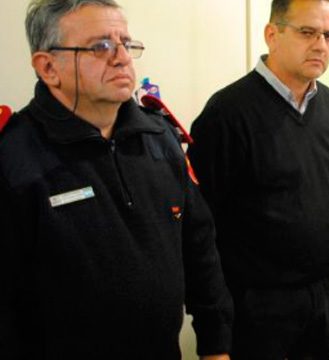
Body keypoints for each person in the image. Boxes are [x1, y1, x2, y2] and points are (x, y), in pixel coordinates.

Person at [0, 1, 233, 359]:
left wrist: (216, 346)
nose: (122, 57)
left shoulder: (160, 137)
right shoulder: (14, 157)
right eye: (101, 46)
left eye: (126, 43)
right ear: (48, 67)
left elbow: (199, 249)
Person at [186, 0, 329, 359]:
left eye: (328, 35)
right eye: (307, 32)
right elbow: (200, 226)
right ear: (272, 35)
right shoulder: (227, 113)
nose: (320, 44)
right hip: (259, 308)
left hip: (324, 298)